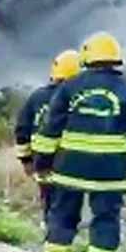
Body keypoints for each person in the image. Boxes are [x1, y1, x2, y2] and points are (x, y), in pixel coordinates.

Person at [32, 32, 126, 252]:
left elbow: (50, 128)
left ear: (87, 56)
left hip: (70, 168)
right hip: (109, 173)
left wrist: (42, 162)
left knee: (62, 214)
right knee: (106, 220)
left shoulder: (70, 86)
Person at [14, 49, 81, 227]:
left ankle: (50, 230)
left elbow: (22, 131)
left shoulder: (37, 98)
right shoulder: (82, 98)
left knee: (50, 202)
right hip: (74, 165)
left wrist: (26, 161)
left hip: (43, 164)